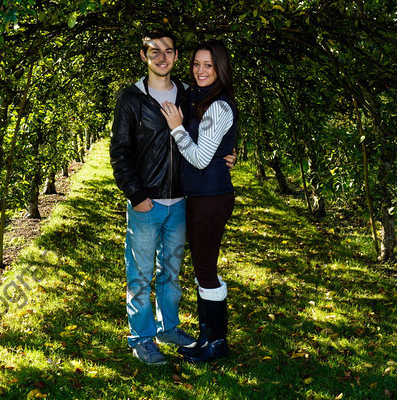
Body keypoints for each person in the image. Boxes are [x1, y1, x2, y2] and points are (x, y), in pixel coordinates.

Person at [110, 30, 236, 365]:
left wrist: (228, 153)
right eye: (154, 52)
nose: (162, 57)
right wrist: (136, 195)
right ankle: (141, 337)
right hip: (146, 202)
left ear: (176, 56)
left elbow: (207, 133)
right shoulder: (132, 99)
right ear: (144, 56)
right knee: (139, 276)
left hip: (182, 200)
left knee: (171, 272)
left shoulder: (188, 94)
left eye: (168, 51)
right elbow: (119, 153)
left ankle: (169, 327)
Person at [160, 39, 238, 363]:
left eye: (208, 65)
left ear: (220, 68)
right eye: (196, 64)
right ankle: (209, 337)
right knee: (203, 268)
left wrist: (177, 129)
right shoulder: (200, 99)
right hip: (202, 196)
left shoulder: (218, 105)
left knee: (205, 270)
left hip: (211, 198)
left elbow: (201, 157)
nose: (201, 70)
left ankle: (216, 344)